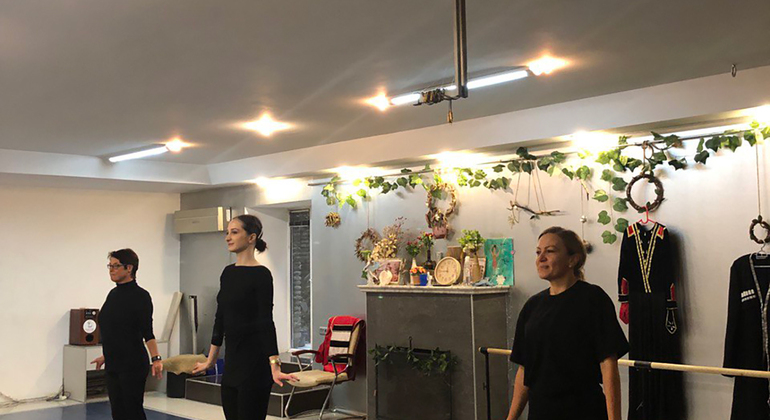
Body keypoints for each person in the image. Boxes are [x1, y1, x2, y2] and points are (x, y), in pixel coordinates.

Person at [505, 227, 629, 420]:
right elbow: (525, 369)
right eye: (538, 252)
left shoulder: (593, 299)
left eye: (550, 251)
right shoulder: (532, 306)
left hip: (583, 411)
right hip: (541, 413)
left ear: (573, 260)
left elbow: (608, 365)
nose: (541, 258)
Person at [192, 214, 296, 420]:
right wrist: (210, 361)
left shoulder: (262, 275)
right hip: (232, 364)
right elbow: (220, 319)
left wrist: (275, 366)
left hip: (255, 364)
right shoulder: (228, 273)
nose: (228, 237)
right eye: (227, 233)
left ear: (251, 237)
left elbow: (265, 322)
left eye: (234, 232)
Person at [91, 248, 163, 420]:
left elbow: (147, 332)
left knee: (132, 411)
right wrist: (106, 355)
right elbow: (117, 329)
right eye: (110, 266)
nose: (111, 270)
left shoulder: (141, 296)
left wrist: (156, 359)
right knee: (118, 412)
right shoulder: (113, 294)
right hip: (113, 363)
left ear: (129, 268)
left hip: (132, 364)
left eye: (116, 266)